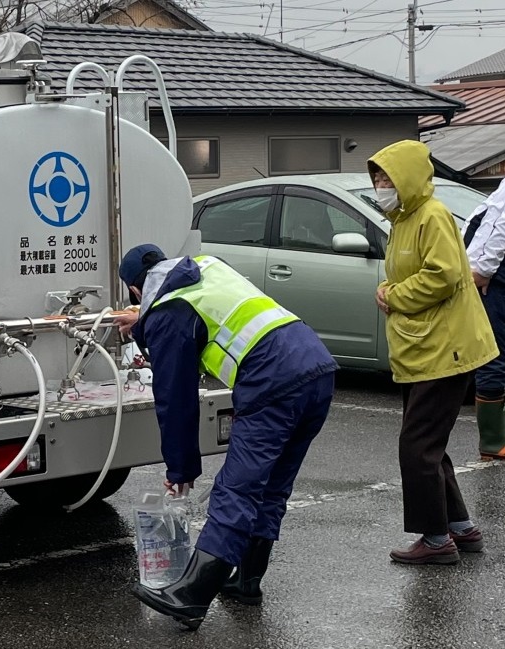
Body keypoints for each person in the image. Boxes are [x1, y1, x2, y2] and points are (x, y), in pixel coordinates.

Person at [113, 243, 337, 630]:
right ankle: (247, 580)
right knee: (272, 485)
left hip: (272, 379)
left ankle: (191, 596)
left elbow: (175, 398)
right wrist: (146, 321)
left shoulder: (167, 312)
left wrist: (181, 468)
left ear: (135, 290)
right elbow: (202, 315)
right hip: (316, 365)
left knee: (238, 488)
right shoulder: (205, 267)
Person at [368, 140, 496, 565]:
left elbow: (442, 275)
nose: (381, 185)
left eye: (387, 177)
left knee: (416, 446)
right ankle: (460, 528)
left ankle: (436, 539)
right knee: (430, 444)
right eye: (377, 178)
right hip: (424, 348)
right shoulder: (403, 219)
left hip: (446, 348)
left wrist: (393, 294)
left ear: (407, 177)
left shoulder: (432, 215)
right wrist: (392, 291)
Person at [463, 177, 505, 460]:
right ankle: (491, 442)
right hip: (497, 276)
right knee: (495, 354)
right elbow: (497, 227)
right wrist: (484, 270)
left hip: (491, 271)